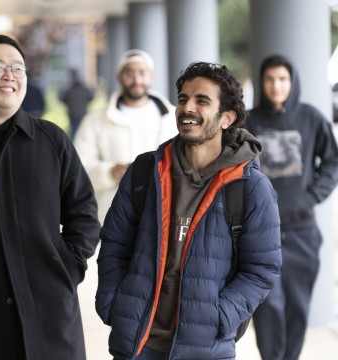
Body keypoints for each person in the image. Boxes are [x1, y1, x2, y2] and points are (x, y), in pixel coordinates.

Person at [95, 62, 282, 359]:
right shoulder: (146, 171)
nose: (187, 108)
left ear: (227, 118)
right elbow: (115, 242)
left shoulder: (250, 187)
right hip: (137, 343)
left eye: (202, 101)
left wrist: (219, 317)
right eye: (183, 99)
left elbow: (262, 269)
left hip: (206, 348)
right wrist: (113, 304)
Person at [0, 34, 101, 360]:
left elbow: (84, 213)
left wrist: (67, 267)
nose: (10, 75)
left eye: (18, 68)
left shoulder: (51, 140)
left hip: (50, 313)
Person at [245, 54, 338, 360]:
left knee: (298, 306)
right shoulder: (249, 121)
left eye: (282, 79)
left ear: (292, 82)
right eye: (270, 79)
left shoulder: (310, 118)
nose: (276, 85)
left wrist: (312, 196)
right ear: (262, 82)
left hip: (302, 232)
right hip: (261, 234)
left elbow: (333, 160)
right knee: (268, 307)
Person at [74, 49, 176, 223]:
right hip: (113, 215)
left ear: (151, 77)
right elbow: (77, 168)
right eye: (130, 73)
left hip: (164, 212)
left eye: (142, 73)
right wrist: (110, 172)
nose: (137, 80)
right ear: (119, 77)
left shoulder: (173, 118)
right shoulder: (95, 120)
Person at [59, 68, 94, 139]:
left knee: (75, 133)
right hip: (80, 113)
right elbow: (91, 97)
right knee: (80, 132)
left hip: (74, 114)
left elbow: (62, 99)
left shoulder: (70, 89)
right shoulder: (83, 89)